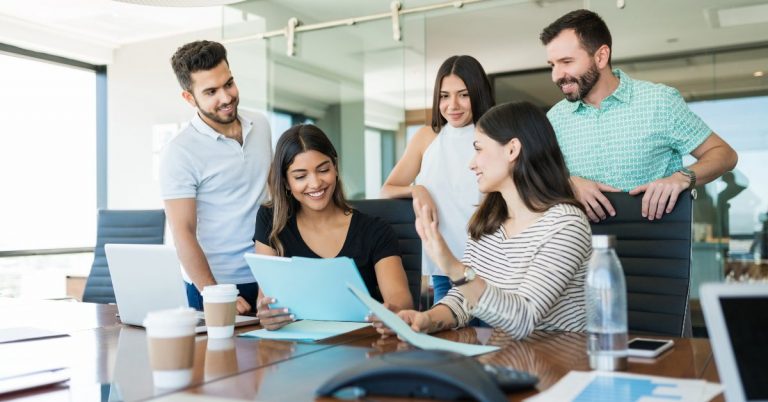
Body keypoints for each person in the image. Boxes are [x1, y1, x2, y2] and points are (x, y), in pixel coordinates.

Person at [372, 101, 592, 340]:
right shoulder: (489, 222)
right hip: (506, 357)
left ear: (512, 150)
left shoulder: (566, 224)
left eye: (478, 149)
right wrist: (426, 319)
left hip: (561, 360)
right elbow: (463, 300)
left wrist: (451, 264)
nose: (471, 163)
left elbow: (522, 318)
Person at [541, 9, 738, 222]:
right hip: (579, 244)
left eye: (566, 62)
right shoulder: (555, 119)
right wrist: (567, 183)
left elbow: (724, 154)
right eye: (553, 65)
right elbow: (536, 180)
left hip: (656, 242)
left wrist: (682, 177)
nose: (556, 75)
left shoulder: (659, 101)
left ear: (601, 56)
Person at [254, 124, 413, 330]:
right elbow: (265, 298)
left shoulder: (375, 230)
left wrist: (394, 312)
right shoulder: (271, 220)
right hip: (295, 346)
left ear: (335, 168)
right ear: (286, 182)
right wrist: (267, 315)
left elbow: (401, 299)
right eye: (300, 176)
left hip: (361, 345)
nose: (315, 183)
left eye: (323, 170)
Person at [160, 40, 272, 314]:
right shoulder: (180, 151)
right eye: (211, 91)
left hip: (266, 277)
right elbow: (182, 232)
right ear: (189, 98)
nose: (226, 97)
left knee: (276, 356)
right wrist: (213, 292)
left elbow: (271, 199)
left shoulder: (261, 125)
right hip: (214, 284)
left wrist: (272, 275)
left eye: (229, 83)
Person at [380, 55, 495, 304]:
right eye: (444, 96)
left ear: (478, 93)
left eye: (463, 94)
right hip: (443, 264)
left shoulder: (494, 135)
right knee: (447, 336)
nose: (452, 105)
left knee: (493, 338)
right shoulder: (426, 137)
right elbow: (386, 190)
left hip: (490, 263)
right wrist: (417, 189)